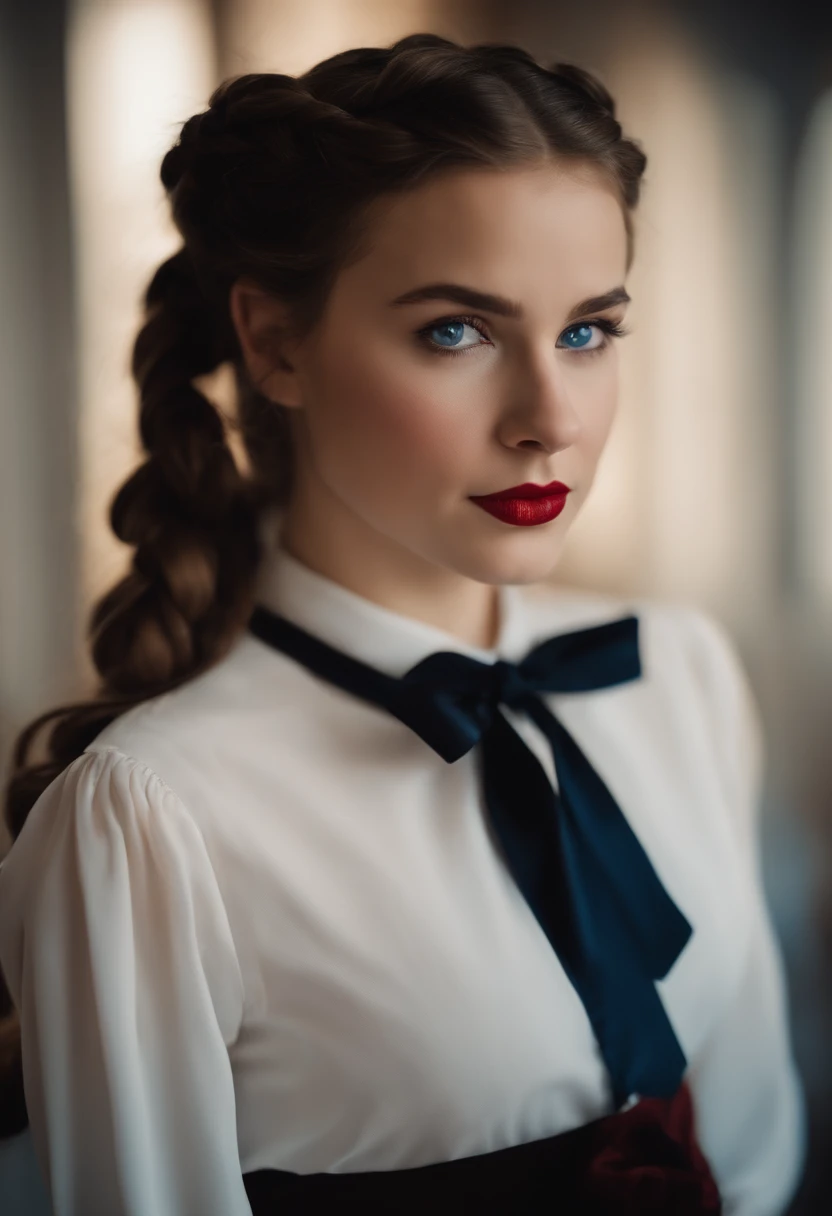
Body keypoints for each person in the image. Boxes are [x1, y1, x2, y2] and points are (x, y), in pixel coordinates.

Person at [0, 31, 805, 1216]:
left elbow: (753, 1141)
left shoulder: (673, 671)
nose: (547, 419)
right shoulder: (151, 819)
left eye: (586, 330)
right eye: (456, 331)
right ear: (276, 343)